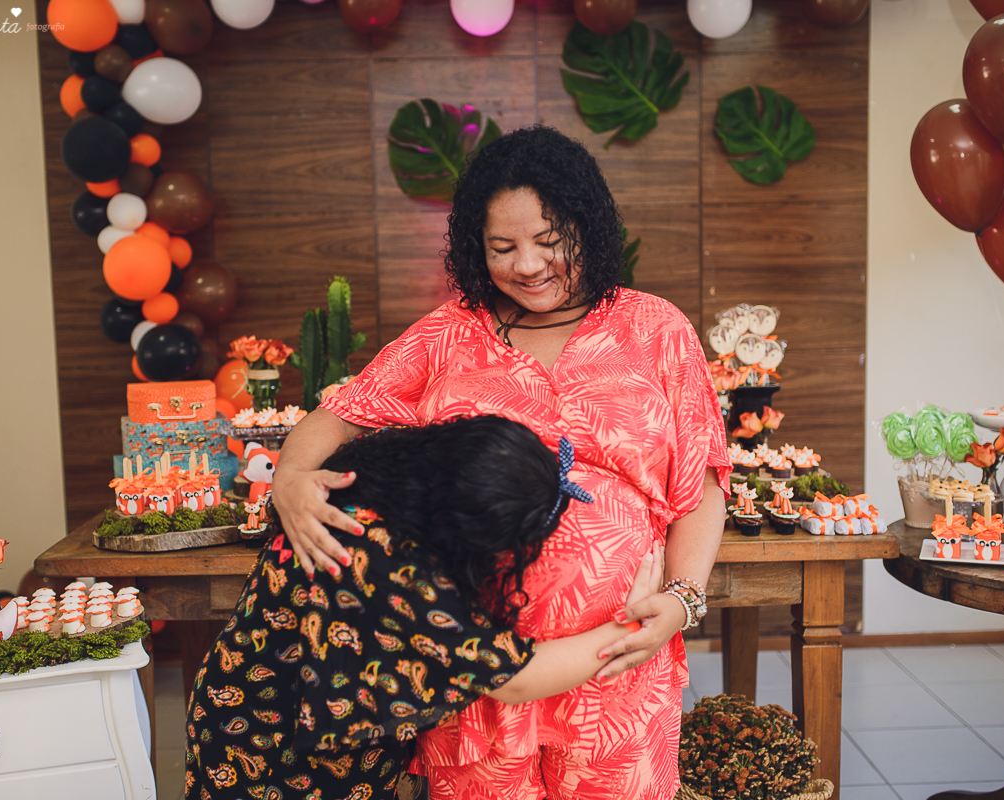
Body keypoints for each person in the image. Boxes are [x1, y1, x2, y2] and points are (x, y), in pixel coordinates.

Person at [273, 125, 731, 800]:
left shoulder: (656, 328)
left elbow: (702, 483)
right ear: (473, 248)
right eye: (502, 247)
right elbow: (338, 416)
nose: (528, 264)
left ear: (588, 228)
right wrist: (290, 481)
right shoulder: (449, 332)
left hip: (618, 661)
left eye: (550, 241)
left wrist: (683, 602)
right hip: (476, 667)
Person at [184, 416, 663, 800]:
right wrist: (632, 625)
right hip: (277, 750)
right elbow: (518, 678)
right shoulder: (381, 562)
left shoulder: (378, 467)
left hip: (256, 706)